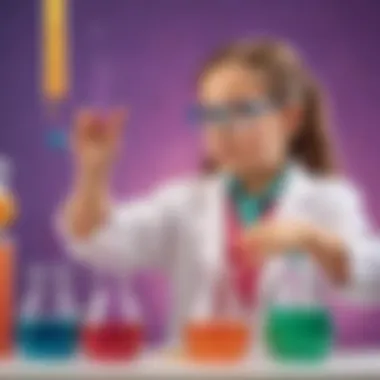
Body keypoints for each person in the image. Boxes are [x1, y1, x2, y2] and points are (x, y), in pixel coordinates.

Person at [59, 39, 377, 340]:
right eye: (210, 113)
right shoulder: (184, 204)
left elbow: (371, 280)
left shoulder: (329, 201)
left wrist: (312, 238)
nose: (220, 129)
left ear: (289, 119)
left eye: (240, 111)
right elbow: (99, 239)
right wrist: (93, 173)